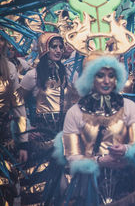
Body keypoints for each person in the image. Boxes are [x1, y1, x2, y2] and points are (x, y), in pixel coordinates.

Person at [62, 55, 135, 204]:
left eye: (111, 75)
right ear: (89, 78)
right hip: (89, 186)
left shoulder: (129, 107)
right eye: (100, 75)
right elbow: (70, 155)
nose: (107, 81)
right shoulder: (74, 112)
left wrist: (126, 149)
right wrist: (99, 161)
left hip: (127, 185)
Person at [19, 33, 78, 205]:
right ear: (45, 48)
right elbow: (17, 105)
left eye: (61, 46)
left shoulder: (67, 73)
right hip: (42, 139)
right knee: (44, 187)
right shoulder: (33, 75)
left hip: (65, 137)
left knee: (67, 187)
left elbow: (78, 101)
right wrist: (27, 130)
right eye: (54, 46)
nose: (59, 50)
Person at [0, 35, 28, 206]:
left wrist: (23, 142)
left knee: (9, 186)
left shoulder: (9, 68)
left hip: (4, 139)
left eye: (1, 39)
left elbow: (19, 108)